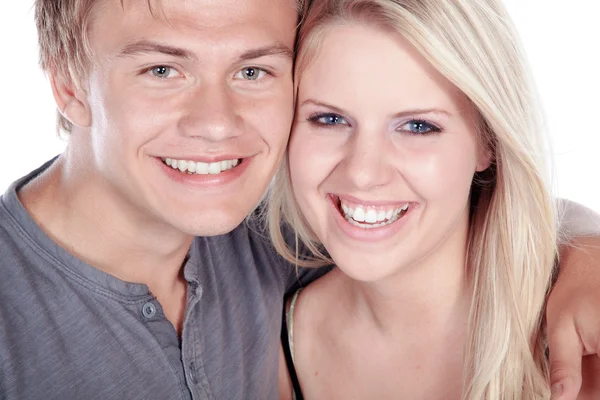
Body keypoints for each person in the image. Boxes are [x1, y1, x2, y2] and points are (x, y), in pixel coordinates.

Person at [0, 0, 598, 399]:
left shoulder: (269, 235)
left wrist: (586, 254)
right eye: (162, 70)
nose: (215, 125)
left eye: (254, 71)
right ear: (67, 84)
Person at [271, 0, 600, 398]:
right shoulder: (275, 342)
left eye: (417, 126)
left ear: (487, 141)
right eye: (329, 119)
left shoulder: (578, 345)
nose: (362, 172)